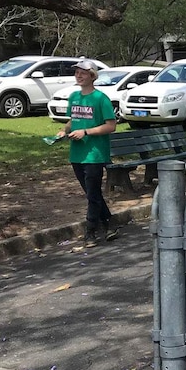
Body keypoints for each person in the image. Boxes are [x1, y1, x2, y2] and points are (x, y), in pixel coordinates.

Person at [55, 60, 118, 247]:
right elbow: (72, 120)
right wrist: (64, 131)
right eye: (76, 73)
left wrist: (86, 132)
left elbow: (111, 125)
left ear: (92, 76)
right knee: (92, 193)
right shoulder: (74, 96)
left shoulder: (101, 98)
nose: (78, 76)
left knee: (92, 193)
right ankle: (109, 224)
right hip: (77, 154)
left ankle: (90, 232)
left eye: (83, 73)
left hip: (95, 154)